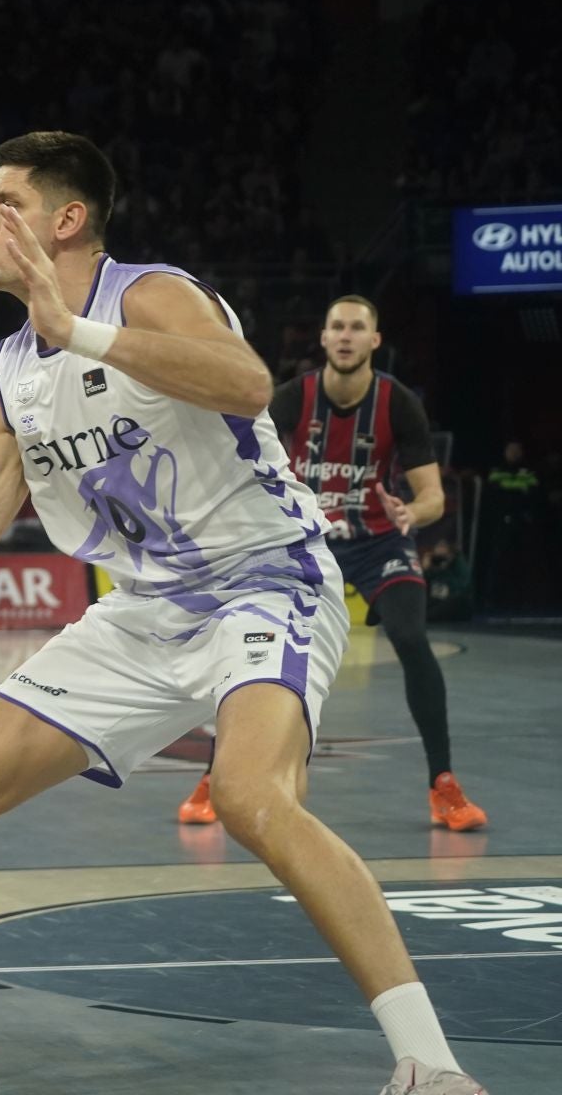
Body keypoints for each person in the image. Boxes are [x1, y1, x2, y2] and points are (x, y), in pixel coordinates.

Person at [0, 133, 486, 1095]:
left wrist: (76, 328)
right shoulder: (7, 382)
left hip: (266, 578)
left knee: (251, 799)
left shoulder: (146, 292)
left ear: (66, 219)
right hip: (146, 610)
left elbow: (248, 382)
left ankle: (431, 1065)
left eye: (3, 202)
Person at [176, 296, 486, 831]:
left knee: (411, 637)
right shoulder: (293, 398)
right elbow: (243, 464)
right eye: (336, 327)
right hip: (304, 539)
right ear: (322, 339)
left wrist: (411, 511)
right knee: (252, 648)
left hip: (378, 542)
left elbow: (432, 496)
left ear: (374, 340)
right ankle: (213, 775)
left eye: (356, 328)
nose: (345, 336)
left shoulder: (398, 403)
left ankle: (444, 786)